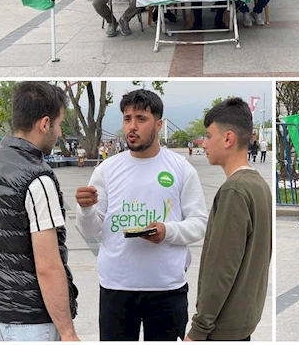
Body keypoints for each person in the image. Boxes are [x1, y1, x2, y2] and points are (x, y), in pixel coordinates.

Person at [75, 89, 209, 340]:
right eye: (127, 119)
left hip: (167, 288)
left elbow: (199, 223)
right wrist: (85, 209)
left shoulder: (181, 169)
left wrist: (167, 231)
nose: (132, 127)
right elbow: (90, 230)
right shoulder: (107, 170)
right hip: (116, 287)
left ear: (158, 124)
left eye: (141, 118)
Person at [0, 82, 79, 341]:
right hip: (32, 322)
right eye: (58, 124)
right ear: (44, 124)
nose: (59, 133)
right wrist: (68, 333)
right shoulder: (38, 178)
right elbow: (48, 267)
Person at [185, 98, 271, 341]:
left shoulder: (234, 190)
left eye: (208, 135)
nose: (204, 143)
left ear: (228, 139)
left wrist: (198, 329)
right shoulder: (259, 185)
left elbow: (221, 267)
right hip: (244, 320)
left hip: (222, 327)